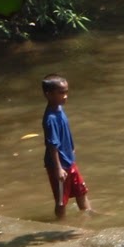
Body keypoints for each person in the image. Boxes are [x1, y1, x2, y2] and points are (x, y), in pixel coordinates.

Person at [41, 74, 91, 218]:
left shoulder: (60, 109)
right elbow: (52, 144)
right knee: (61, 201)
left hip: (69, 161)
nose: (65, 96)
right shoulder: (50, 118)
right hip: (60, 165)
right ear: (48, 94)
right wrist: (58, 168)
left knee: (81, 191)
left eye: (66, 92)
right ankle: (60, 224)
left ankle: (88, 213)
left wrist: (72, 147)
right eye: (61, 93)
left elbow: (66, 132)